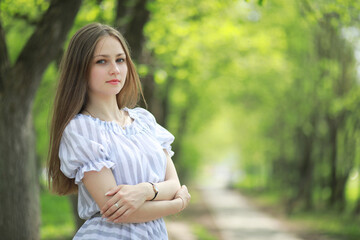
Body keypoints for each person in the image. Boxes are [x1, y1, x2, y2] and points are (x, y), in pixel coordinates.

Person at [47, 22, 191, 240]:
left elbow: (173, 184)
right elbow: (116, 211)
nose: (114, 69)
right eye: (101, 61)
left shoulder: (144, 121)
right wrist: (177, 204)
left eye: (120, 60)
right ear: (80, 69)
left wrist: (144, 191)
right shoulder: (82, 129)